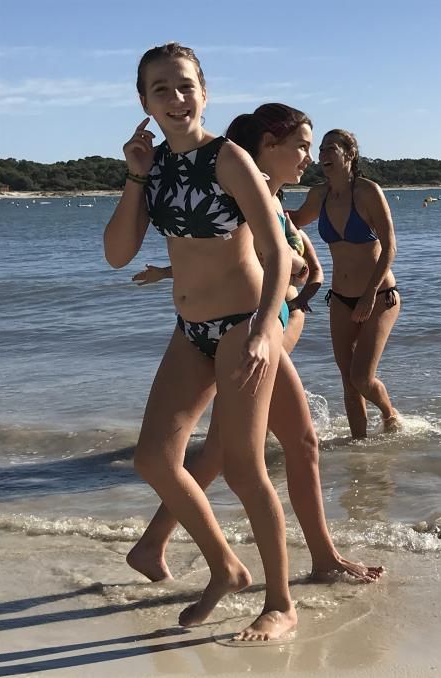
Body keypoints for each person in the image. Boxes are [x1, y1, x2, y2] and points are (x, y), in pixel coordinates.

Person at [128, 103, 384, 586]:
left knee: (291, 445)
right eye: (301, 146)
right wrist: (290, 286)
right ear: (268, 147)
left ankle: (157, 543)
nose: (308, 156)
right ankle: (238, 571)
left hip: (260, 327)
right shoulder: (251, 190)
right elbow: (247, 261)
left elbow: (232, 256)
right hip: (249, 331)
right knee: (229, 454)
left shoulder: (270, 194)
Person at [104, 44, 295, 641]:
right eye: (160, 89)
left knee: (244, 468)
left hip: (243, 325)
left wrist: (267, 326)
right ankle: (224, 567)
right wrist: (135, 174)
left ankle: (282, 604)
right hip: (191, 331)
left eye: (185, 86)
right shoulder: (152, 167)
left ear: (204, 93)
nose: (175, 98)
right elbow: (118, 254)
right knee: (153, 459)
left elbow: (278, 253)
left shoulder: (229, 158)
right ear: (144, 102)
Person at [290, 129, 400, 440]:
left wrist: (368, 296)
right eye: (319, 149)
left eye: (330, 149)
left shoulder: (367, 192)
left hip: (379, 296)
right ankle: (359, 449)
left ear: (349, 154)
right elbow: (293, 220)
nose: (322, 155)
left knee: (362, 378)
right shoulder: (319, 195)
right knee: (348, 383)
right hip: (339, 297)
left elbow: (390, 247)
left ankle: (390, 414)